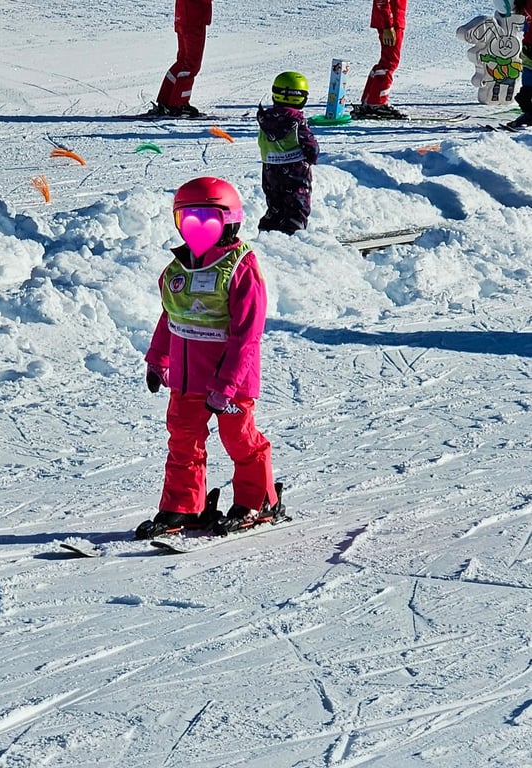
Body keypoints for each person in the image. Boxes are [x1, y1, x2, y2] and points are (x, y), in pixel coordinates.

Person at [135, 177, 284, 539]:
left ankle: (258, 498)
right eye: (187, 220)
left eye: (207, 219)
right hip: (187, 379)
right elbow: (172, 316)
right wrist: (158, 358)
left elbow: (247, 334)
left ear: (229, 221)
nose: (195, 229)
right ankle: (184, 506)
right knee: (183, 439)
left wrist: (227, 384)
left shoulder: (240, 268)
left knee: (239, 439)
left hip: (229, 381)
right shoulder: (179, 269)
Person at [256, 71, 320, 235]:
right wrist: (311, 157)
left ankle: (269, 228)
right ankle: (294, 233)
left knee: (275, 203)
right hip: (296, 172)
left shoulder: (265, 120)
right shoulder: (297, 122)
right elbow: (311, 148)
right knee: (297, 206)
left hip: (270, 172)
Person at [147, 0, 213, 118]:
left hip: (184, 16)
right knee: (192, 64)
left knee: (183, 61)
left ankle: (166, 100)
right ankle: (178, 104)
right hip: (193, 18)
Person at [352, 0, 408, 119]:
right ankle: (377, 103)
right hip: (392, 22)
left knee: (387, 61)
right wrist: (388, 25)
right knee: (390, 62)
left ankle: (369, 100)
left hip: (395, 20)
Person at [508, 0, 532, 128]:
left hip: (529, 48)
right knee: (525, 93)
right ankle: (529, 115)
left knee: (526, 93)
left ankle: (529, 115)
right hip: (529, 50)